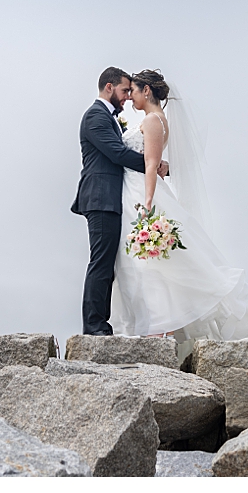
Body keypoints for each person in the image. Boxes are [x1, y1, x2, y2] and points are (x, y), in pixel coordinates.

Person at [109, 69, 248, 346]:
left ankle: (156, 327)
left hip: (140, 191)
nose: (131, 98)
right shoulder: (158, 120)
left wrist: (148, 202)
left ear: (147, 91)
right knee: (147, 263)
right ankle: (151, 324)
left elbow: (151, 164)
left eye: (135, 91)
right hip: (134, 189)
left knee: (148, 264)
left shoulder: (152, 120)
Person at [71, 67, 168, 335]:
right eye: (125, 90)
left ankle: (101, 323)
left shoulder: (108, 117)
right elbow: (116, 153)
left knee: (109, 263)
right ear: (110, 87)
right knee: (101, 262)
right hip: (101, 197)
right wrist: (153, 163)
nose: (127, 97)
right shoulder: (95, 115)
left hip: (113, 197)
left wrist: (155, 162)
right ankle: (94, 326)